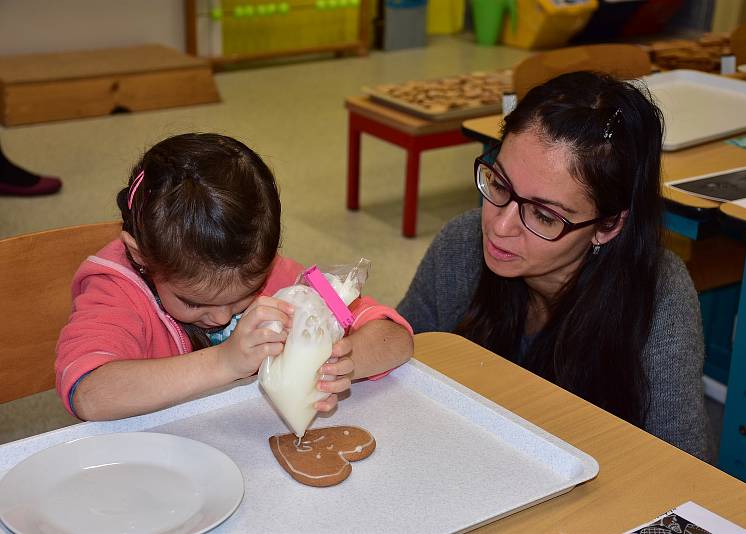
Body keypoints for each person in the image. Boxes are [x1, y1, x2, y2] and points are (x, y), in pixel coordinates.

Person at [398, 71, 708, 460]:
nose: (499, 225)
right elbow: (401, 366)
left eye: (544, 215)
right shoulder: (462, 244)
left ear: (608, 227)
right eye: (499, 185)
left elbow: (682, 469)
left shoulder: (658, 298)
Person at [56, 133, 413, 421]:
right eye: (194, 301)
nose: (222, 317)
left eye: (247, 293)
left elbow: (394, 336)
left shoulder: (281, 277)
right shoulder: (116, 288)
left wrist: (341, 364)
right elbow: (88, 393)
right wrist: (224, 361)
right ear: (139, 255)